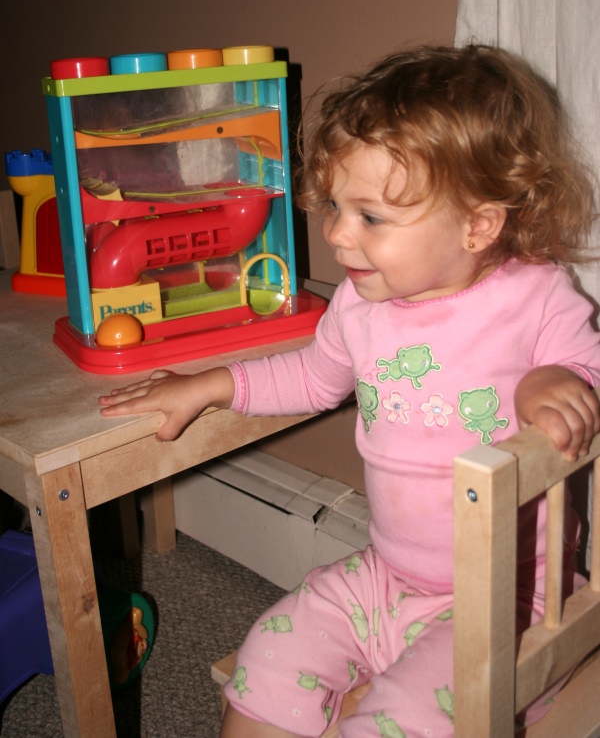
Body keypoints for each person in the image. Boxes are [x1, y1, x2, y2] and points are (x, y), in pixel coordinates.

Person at [99, 45, 600, 738]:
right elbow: (311, 376)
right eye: (335, 206)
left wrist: (555, 381)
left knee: (392, 723)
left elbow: (585, 377)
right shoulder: (362, 307)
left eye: (370, 216)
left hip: (506, 599)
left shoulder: (535, 296)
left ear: (477, 225)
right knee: (265, 662)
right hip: (385, 577)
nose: (334, 232)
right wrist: (210, 387)